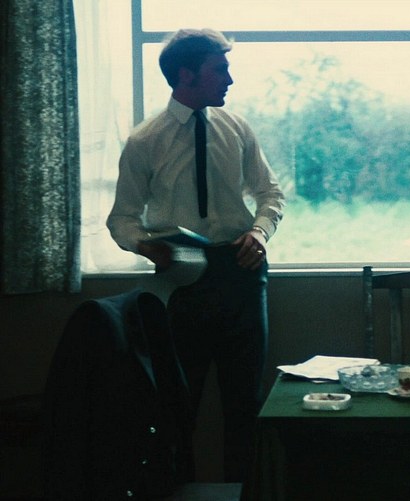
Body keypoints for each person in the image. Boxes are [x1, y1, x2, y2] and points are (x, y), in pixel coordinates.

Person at [107, 28, 285, 482]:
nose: (229, 79)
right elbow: (122, 218)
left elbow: (270, 193)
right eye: (219, 69)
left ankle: (242, 493)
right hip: (181, 280)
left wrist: (260, 233)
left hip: (241, 272)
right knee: (177, 406)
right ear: (186, 75)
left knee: (245, 405)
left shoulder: (236, 128)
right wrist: (146, 246)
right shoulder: (146, 140)